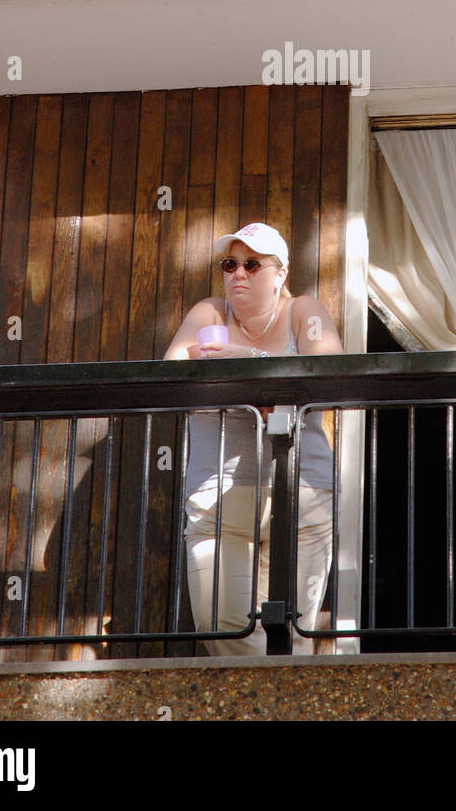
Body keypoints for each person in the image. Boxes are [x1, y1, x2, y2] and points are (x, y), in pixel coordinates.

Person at [164, 222, 343, 655]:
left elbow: (333, 376)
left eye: (251, 264)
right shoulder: (210, 312)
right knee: (222, 629)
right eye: (230, 265)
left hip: (301, 493)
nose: (237, 274)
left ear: (280, 273)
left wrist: (252, 362)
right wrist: (257, 387)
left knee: (295, 635)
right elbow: (172, 375)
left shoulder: (304, 311)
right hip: (217, 495)